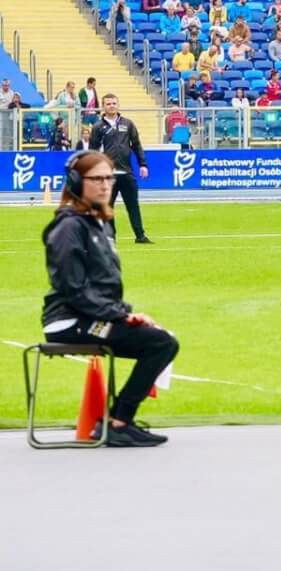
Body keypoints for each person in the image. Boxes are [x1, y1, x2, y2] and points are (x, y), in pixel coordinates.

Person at [40, 152, 177, 446]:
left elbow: (102, 289)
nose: (105, 185)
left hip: (92, 316)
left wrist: (126, 313)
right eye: (97, 178)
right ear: (77, 181)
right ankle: (117, 422)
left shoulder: (97, 224)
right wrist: (120, 317)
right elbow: (73, 290)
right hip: (69, 321)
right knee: (161, 343)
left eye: (109, 178)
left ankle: (118, 421)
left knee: (160, 338)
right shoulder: (69, 227)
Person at [86, 94, 151, 244]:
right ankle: (110, 238)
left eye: (114, 103)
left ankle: (140, 236)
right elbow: (93, 151)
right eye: (108, 104)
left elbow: (136, 145)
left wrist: (143, 164)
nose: (112, 106)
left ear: (118, 105)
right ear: (103, 107)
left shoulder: (127, 124)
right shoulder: (98, 127)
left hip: (127, 172)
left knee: (133, 205)